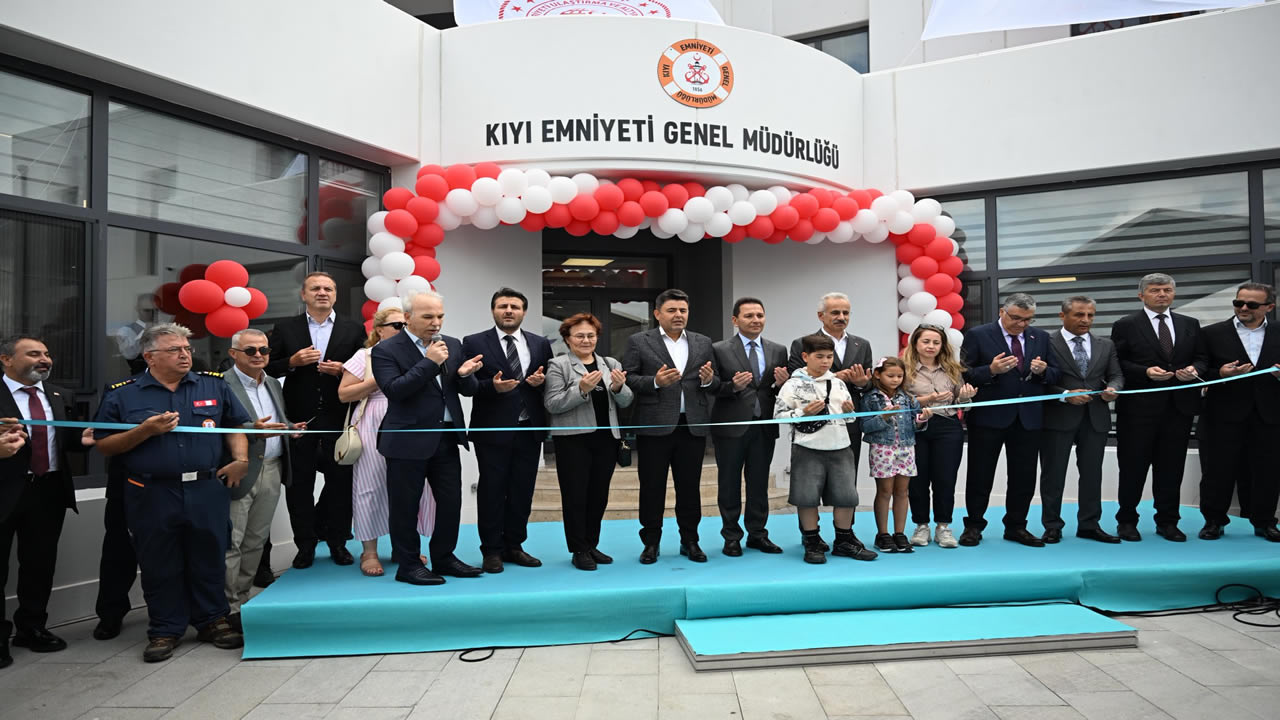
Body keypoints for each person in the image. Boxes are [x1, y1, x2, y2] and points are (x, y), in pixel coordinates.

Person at [93, 323, 252, 663]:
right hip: (152, 491)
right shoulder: (123, 393)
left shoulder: (213, 384)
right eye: (174, 350)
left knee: (209, 556)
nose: (184, 355)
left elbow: (235, 426)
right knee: (159, 561)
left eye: (186, 349)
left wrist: (240, 459)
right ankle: (165, 628)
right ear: (149, 356)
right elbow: (104, 445)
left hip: (205, 488)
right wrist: (144, 431)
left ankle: (213, 621)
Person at [371, 291, 482, 586]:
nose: (436, 323)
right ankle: (408, 564)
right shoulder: (386, 349)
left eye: (440, 316)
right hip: (406, 439)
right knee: (405, 505)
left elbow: (467, 390)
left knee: (451, 502)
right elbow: (395, 390)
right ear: (408, 317)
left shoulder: (452, 344)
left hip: (446, 437)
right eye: (428, 316)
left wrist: (465, 375)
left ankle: (444, 557)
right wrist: (429, 363)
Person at [266, 271, 366, 569]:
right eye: (315, 288)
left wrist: (342, 370)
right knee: (299, 487)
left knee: (340, 484)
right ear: (304, 295)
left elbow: (366, 368)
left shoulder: (353, 328)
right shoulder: (286, 328)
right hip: (299, 421)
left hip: (339, 419)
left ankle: (337, 542)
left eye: (328, 289)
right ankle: (305, 545)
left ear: (335, 295)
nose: (322, 293)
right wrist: (291, 363)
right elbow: (266, 367)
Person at [1, 336, 83, 668]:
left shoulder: (60, 395)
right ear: (6, 359)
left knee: (40, 565)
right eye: (34, 354)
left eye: (47, 354)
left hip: (47, 491)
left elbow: (68, 438)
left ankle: (32, 628)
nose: (45, 359)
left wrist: (87, 438)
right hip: (4, 490)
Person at [622, 288, 720, 564]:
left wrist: (708, 380)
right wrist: (655, 382)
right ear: (657, 313)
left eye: (683, 310)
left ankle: (690, 541)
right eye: (672, 310)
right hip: (654, 426)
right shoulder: (639, 341)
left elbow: (714, 381)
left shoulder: (702, 342)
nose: (678, 315)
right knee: (652, 487)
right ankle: (651, 542)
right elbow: (628, 377)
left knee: (689, 488)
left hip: (692, 426)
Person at [338, 307, 436, 577]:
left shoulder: (421, 353)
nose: (402, 329)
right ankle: (369, 551)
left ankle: (404, 548)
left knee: (410, 486)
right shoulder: (365, 355)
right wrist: (377, 380)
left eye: (405, 324)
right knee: (370, 485)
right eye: (396, 325)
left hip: (411, 423)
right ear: (379, 329)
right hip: (374, 421)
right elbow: (344, 394)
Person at [462, 288, 553, 574]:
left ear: (524, 312)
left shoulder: (540, 343)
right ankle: (491, 550)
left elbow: (549, 381)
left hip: (529, 428)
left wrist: (541, 383)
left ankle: (514, 545)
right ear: (494, 310)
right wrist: (492, 386)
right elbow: (466, 385)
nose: (509, 310)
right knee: (492, 490)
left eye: (515, 306)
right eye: (503, 306)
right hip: (493, 429)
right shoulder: (474, 342)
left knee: (522, 490)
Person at [1110, 273, 1206, 542]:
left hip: (1178, 409)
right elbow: (1117, 363)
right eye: (1155, 290)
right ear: (1141, 295)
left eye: (1166, 290)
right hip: (1138, 410)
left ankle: (1168, 521)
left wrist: (1194, 370)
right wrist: (1145, 372)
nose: (1162, 294)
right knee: (1133, 468)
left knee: (1171, 469)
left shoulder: (1190, 324)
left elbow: (1202, 358)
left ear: (1173, 293)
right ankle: (1127, 521)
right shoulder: (1126, 325)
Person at [959, 293, 1060, 548]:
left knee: (1023, 476)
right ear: (1002, 312)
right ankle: (973, 525)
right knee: (980, 474)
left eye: (1027, 319)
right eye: (1016, 318)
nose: (1021, 324)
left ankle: (1016, 526)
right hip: (988, 418)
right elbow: (964, 373)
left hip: (1028, 417)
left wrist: (1043, 371)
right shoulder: (978, 334)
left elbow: (1056, 373)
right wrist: (991, 370)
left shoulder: (1041, 337)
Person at [775, 334, 877, 564]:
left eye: (829, 357)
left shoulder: (838, 383)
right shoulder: (792, 384)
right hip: (807, 447)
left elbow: (849, 419)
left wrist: (850, 413)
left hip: (840, 446)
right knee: (807, 497)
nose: (825, 361)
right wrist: (803, 413)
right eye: (819, 356)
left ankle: (844, 540)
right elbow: (779, 415)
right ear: (805, 356)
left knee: (847, 497)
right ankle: (812, 541)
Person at [544, 313, 634, 570]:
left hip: (606, 440)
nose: (586, 340)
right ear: (567, 339)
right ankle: (578, 548)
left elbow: (626, 400)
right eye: (580, 336)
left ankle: (591, 544)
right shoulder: (558, 365)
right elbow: (552, 404)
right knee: (575, 496)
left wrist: (618, 388)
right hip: (573, 441)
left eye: (591, 335)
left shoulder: (610, 363)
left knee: (598, 495)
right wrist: (580, 389)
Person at [221, 329, 296, 622]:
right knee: (232, 542)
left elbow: (277, 419)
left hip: (273, 467)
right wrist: (252, 428)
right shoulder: (221, 384)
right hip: (240, 469)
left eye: (263, 350)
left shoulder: (273, 382)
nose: (258, 356)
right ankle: (227, 608)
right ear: (233, 354)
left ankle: (242, 599)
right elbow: (219, 425)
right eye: (250, 350)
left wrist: (290, 427)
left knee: (256, 540)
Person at [1196, 282, 1280, 542]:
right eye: (1238, 302)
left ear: (1269, 307)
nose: (1243, 308)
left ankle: (1265, 522)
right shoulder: (1211, 333)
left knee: (1268, 471)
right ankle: (1214, 521)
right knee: (1217, 470)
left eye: (1251, 304)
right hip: (1222, 414)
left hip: (1269, 415)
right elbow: (1199, 371)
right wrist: (1220, 373)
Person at [1040, 296, 1124, 544]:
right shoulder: (1046, 342)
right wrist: (1065, 395)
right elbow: (1039, 381)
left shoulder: (1105, 344)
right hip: (1057, 417)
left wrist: (1114, 388)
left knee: (1092, 474)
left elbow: (1117, 375)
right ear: (1062, 315)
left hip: (1095, 417)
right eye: (1079, 314)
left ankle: (1089, 525)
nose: (1085, 320)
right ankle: (1052, 526)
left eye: (1090, 315)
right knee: (1053, 474)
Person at [710, 297, 789, 556]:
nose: (756, 320)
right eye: (749, 316)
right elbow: (711, 387)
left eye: (760, 315)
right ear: (735, 320)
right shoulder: (719, 349)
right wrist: (733, 386)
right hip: (731, 426)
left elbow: (777, 390)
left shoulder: (778, 350)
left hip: (764, 426)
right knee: (729, 483)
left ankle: (758, 534)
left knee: (758, 483)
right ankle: (731, 536)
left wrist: (782, 384)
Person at [903, 324, 974, 549]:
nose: (931, 346)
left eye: (936, 342)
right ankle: (921, 525)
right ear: (915, 343)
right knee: (918, 480)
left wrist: (966, 397)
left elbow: (962, 404)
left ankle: (943, 526)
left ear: (942, 345)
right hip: (916, 427)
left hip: (948, 426)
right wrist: (928, 400)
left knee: (945, 478)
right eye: (926, 341)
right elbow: (900, 402)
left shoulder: (953, 369)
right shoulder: (905, 369)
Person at [788, 292, 873, 465]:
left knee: (847, 476)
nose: (841, 317)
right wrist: (833, 377)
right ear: (821, 316)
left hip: (848, 419)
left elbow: (870, 383)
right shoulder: (803, 343)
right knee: (812, 476)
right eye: (835, 313)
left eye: (845, 313)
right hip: (813, 420)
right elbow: (795, 381)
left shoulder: (862, 345)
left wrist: (862, 383)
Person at [860, 357, 932, 554]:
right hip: (882, 448)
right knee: (885, 491)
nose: (895, 380)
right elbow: (864, 426)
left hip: (906, 448)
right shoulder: (870, 398)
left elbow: (916, 423)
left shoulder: (908, 398)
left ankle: (899, 533)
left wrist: (922, 419)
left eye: (899, 376)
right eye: (890, 375)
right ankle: (882, 534)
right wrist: (883, 417)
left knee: (902, 491)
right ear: (877, 374)